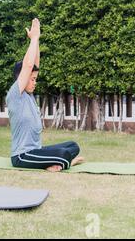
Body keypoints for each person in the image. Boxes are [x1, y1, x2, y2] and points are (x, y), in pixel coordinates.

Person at [6, 18, 85, 172]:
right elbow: (28, 66)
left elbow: (34, 64)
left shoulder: (28, 95)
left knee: (72, 146)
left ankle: (59, 161)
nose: (35, 82)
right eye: (33, 79)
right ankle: (66, 162)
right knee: (63, 154)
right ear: (21, 78)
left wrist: (37, 39)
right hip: (23, 156)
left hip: (36, 150)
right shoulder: (16, 94)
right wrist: (33, 38)